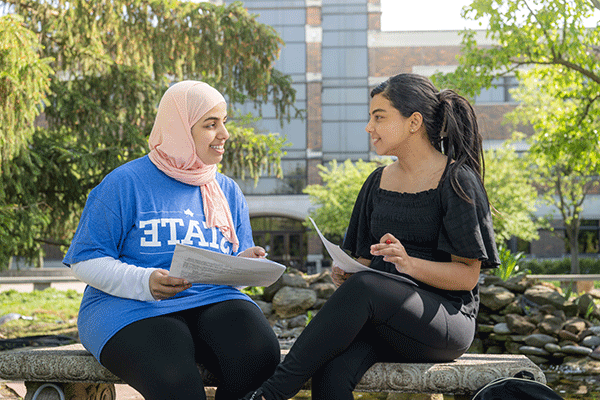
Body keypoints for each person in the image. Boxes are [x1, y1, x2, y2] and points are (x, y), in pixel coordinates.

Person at [241, 73, 500, 400]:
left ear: (413, 122)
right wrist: (346, 271)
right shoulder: (377, 182)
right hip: (383, 320)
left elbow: (467, 276)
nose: (369, 127)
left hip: (444, 322)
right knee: (330, 373)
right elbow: (364, 263)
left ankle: (270, 395)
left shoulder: (457, 181)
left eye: (379, 117)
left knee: (363, 289)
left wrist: (409, 265)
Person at [63, 81, 280, 400]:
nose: (224, 134)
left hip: (212, 299)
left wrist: (245, 264)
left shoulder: (226, 189)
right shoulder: (124, 183)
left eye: (224, 123)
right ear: (179, 128)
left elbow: (232, 259)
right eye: (211, 124)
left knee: (260, 354)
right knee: (176, 382)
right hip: (131, 306)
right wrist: (143, 280)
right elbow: (85, 260)